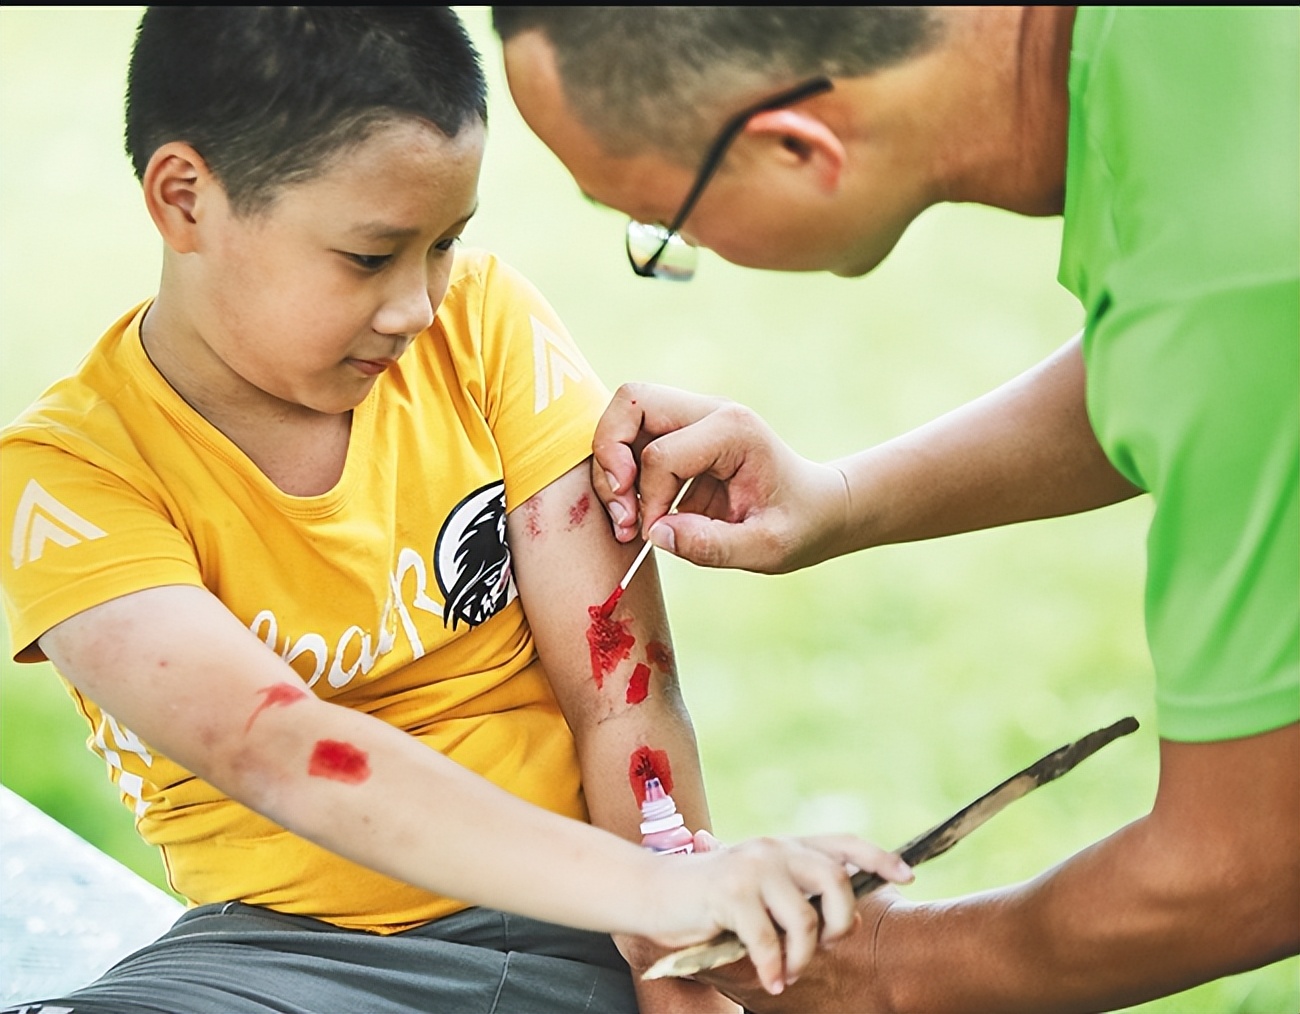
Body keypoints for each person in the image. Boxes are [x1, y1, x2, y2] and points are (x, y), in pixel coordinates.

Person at [0, 9, 913, 1014]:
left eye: (444, 245)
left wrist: (671, 962)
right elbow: (274, 748)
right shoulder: (69, 477)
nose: (417, 305)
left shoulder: (482, 326)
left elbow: (621, 686)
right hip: (286, 961)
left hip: (581, 919)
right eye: (368, 256)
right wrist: (658, 888)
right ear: (185, 200)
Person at [493, 6, 1299, 1012]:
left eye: (663, 223)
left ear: (797, 146)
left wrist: (882, 970)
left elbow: (1241, 868)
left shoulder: (1240, 268)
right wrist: (839, 499)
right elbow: (1195, 372)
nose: (671, 245)